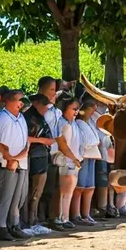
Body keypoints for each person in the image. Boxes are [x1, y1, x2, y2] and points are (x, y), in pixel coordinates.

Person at [0, 89, 31, 241]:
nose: (22, 103)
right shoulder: (3, 118)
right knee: (6, 197)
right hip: (9, 164)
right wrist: (10, 159)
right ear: (9, 101)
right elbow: (0, 143)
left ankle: (14, 224)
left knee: (18, 197)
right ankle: (1, 226)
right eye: (19, 100)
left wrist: (21, 155)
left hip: (21, 162)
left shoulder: (20, 117)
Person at [23, 93, 55, 234]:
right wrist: (44, 141)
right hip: (34, 157)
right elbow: (26, 137)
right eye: (44, 106)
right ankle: (29, 222)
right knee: (34, 192)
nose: (46, 109)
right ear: (37, 103)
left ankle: (34, 220)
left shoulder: (38, 116)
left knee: (38, 192)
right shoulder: (29, 117)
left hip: (42, 156)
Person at [52, 92, 83, 230]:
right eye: (73, 109)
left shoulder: (74, 123)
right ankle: (60, 218)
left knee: (69, 191)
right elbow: (63, 145)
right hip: (65, 161)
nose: (76, 112)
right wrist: (74, 159)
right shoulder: (62, 124)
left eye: (77, 109)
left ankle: (66, 217)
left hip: (74, 161)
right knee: (64, 191)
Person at [36, 76, 63, 225]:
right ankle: (37, 218)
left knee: (51, 187)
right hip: (39, 152)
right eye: (51, 89)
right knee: (38, 188)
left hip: (53, 153)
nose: (54, 93)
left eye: (55, 90)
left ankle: (50, 217)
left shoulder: (56, 111)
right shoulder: (37, 109)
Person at [72, 96, 102, 226]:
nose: (93, 112)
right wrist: (94, 143)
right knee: (80, 186)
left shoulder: (89, 123)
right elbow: (87, 141)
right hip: (83, 156)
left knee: (90, 187)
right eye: (91, 109)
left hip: (92, 157)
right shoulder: (78, 123)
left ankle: (86, 213)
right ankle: (76, 214)